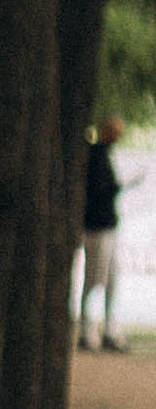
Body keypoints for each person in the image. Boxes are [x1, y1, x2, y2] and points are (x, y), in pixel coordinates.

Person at [81, 117, 130, 353]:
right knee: (94, 280)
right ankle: (87, 330)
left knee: (111, 280)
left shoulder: (103, 156)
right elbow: (98, 191)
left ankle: (109, 328)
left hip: (107, 226)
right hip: (96, 227)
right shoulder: (96, 157)